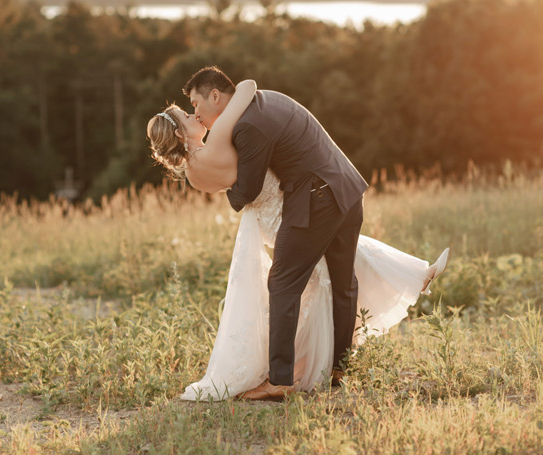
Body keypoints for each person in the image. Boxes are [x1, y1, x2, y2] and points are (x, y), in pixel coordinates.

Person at [146, 67, 448, 401]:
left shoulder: (247, 127)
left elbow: (248, 187)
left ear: (215, 95)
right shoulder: (265, 101)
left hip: (317, 199)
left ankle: (280, 380)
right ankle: (339, 368)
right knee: (343, 281)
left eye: (195, 102)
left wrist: (234, 198)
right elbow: (248, 90)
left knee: (282, 283)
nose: (196, 112)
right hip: (347, 188)